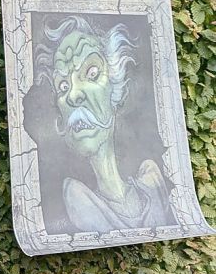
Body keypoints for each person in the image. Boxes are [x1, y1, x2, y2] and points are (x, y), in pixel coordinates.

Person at [36, 15, 174, 233]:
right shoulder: (76, 198)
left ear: (115, 87)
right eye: (63, 85)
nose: (72, 95)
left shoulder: (153, 182)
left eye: (91, 73)